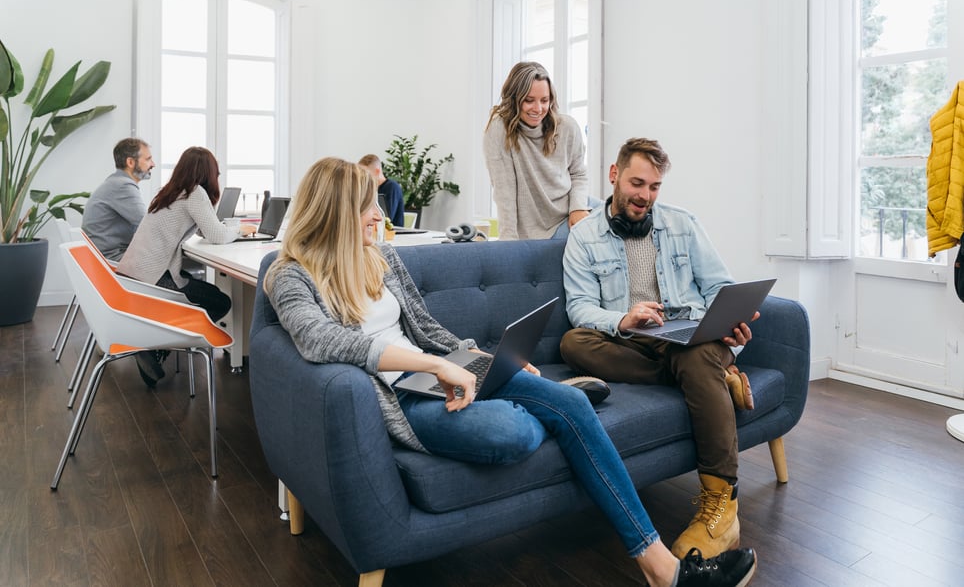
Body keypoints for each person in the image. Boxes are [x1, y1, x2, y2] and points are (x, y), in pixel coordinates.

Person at [263, 157, 757, 587]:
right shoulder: (289, 274)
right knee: (514, 430)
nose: (379, 214)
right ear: (335, 213)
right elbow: (323, 340)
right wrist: (435, 365)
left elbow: (426, 326)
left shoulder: (378, 256)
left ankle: (660, 569)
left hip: (446, 371)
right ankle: (537, 400)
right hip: (405, 396)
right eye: (368, 206)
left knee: (574, 405)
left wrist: (478, 358)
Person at [560, 137, 758, 560]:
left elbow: (720, 285)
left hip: (693, 337)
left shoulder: (683, 224)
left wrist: (729, 322)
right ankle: (715, 381)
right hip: (635, 342)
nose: (645, 196)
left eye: (654, 187)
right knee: (573, 343)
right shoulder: (584, 236)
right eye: (637, 183)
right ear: (614, 175)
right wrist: (623, 319)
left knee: (696, 355)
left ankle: (723, 508)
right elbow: (578, 309)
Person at [118, 146, 256, 387]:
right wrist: (238, 230)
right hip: (155, 279)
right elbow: (216, 235)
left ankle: (157, 345)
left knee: (203, 290)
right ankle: (161, 342)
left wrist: (218, 225)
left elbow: (205, 229)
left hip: (133, 277)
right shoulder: (195, 193)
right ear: (208, 173)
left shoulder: (170, 193)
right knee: (220, 302)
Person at [483, 61, 593, 240]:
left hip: (571, 213)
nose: (538, 109)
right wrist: (508, 247)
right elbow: (505, 194)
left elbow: (579, 174)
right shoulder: (499, 130)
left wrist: (578, 208)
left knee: (626, 217)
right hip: (539, 231)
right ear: (514, 99)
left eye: (544, 100)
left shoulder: (568, 127)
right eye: (529, 100)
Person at [82, 137, 155, 260]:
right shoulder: (123, 186)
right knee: (184, 276)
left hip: (104, 258)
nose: (153, 164)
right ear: (130, 162)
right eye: (148, 159)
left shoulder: (115, 182)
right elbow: (148, 225)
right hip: (113, 261)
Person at [359, 153, 405, 227]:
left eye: (366, 173)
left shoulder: (392, 187)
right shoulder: (369, 188)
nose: (362, 177)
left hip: (392, 234)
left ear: (377, 172)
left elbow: (386, 218)